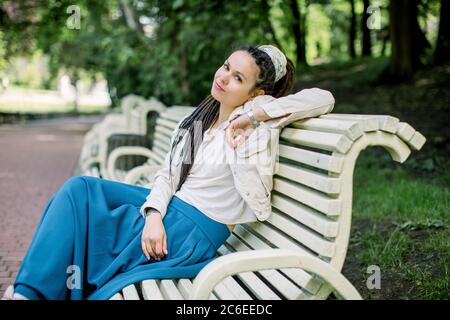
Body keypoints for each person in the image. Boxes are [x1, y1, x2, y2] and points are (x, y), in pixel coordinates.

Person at [2, 44, 335, 300]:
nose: (223, 77)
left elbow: (322, 98)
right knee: (80, 191)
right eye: (226, 67)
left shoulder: (255, 126)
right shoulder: (200, 120)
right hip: (170, 213)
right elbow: (168, 176)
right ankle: (28, 292)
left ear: (257, 93)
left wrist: (254, 117)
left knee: (87, 208)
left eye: (238, 78)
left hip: (192, 230)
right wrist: (153, 215)